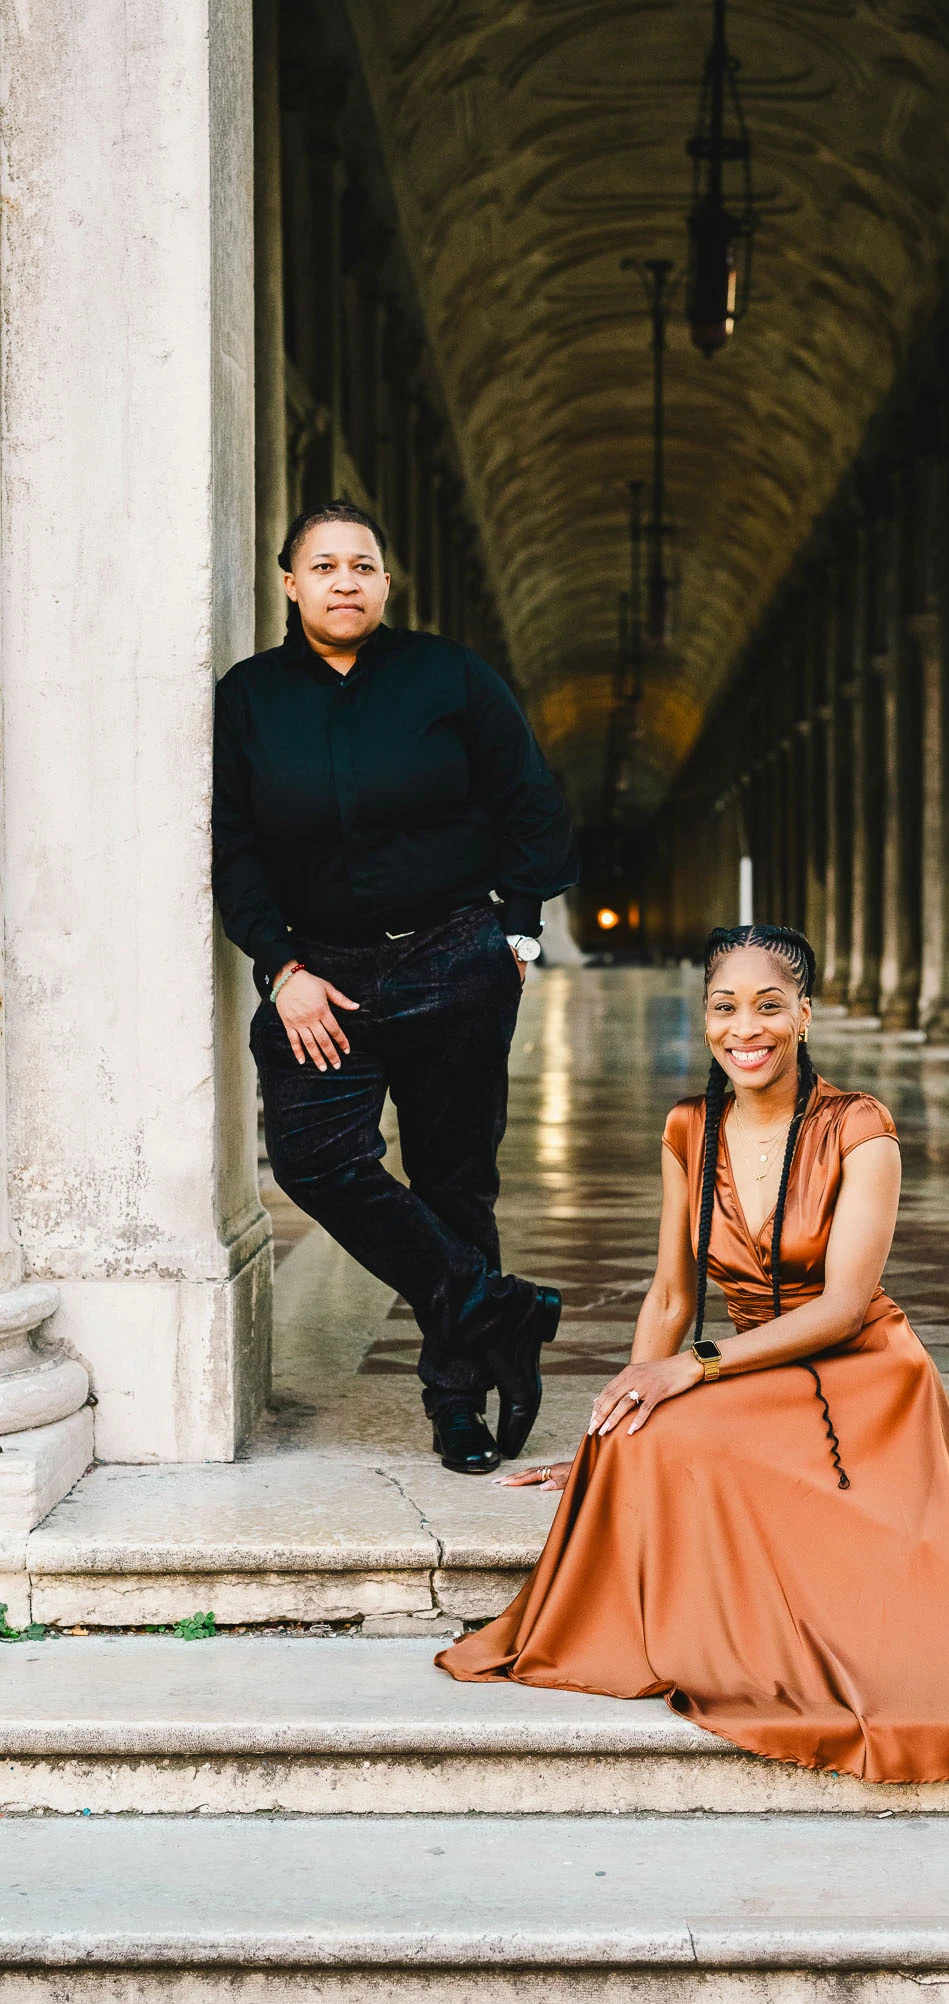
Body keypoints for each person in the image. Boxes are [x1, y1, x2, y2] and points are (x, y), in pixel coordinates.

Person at [440, 924, 949, 1786]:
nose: (745, 1028)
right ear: (705, 1017)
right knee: (645, 1440)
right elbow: (670, 1298)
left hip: (863, 1370)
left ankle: (798, 1641)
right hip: (749, 1361)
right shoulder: (689, 1125)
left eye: (769, 1006)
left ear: (803, 1016)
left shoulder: (859, 1125)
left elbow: (843, 1307)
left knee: (690, 1438)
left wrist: (690, 1367)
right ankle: (712, 1632)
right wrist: (610, 1429)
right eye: (725, 1007)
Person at [213, 500, 577, 1476]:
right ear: (290, 584)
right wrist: (279, 966)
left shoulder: (448, 675)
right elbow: (234, 845)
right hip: (319, 974)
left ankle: (456, 1402)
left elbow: (528, 799)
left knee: (455, 1179)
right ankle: (497, 1308)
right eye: (324, 565)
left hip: (453, 955)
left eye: (362, 565)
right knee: (313, 1161)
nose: (345, 580)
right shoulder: (249, 699)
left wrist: (515, 933)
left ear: (385, 582)